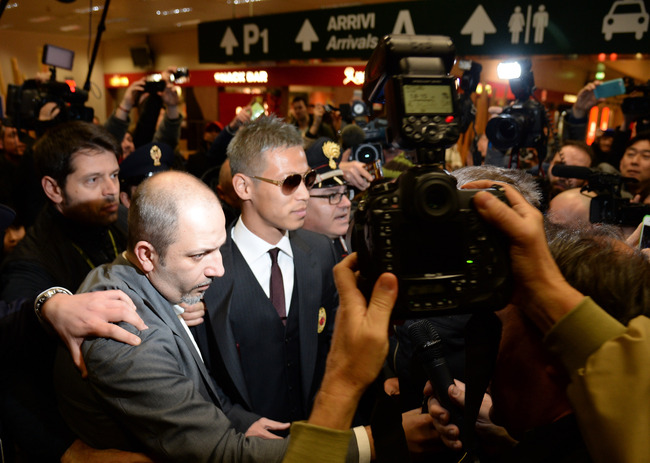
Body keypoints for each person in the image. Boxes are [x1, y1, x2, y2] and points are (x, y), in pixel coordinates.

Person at [53, 171, 362, 461]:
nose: (219, 269)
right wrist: (368, 445)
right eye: (199, 255)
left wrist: (237, 418)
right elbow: (223, 454)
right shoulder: (130, 336)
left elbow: (191, 380)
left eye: (219, 249)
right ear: (147, 255)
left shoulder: (137, 277)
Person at [195, 115, 340, 428]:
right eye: (290, 182)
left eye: (308, 180)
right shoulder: (204, 270)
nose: (304, 194)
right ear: (244, 186)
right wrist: (238, 421)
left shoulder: (320, 251)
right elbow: (196, 370)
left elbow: (331, 343)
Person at [0, 120, 128, 461]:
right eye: (92, 180)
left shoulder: (119, 219)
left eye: (114, 175)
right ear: (54, 189)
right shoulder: (34, 255)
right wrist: (50, 306)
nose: (110, 190)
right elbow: (14, 314)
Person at [304, 137, 352, 259]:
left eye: (345, 193)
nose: (346, 203)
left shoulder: (353, 245)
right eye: (332, 195)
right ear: (300, 200)